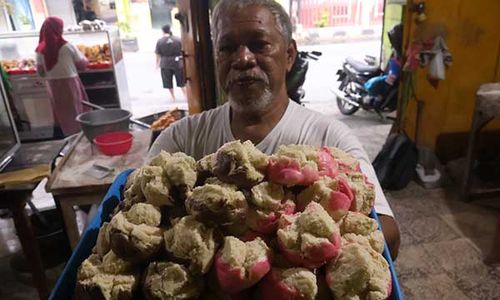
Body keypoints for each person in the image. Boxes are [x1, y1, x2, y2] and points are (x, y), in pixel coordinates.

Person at [149, 0, 400, 259]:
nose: (243, 58)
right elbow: (132, 205)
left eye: (259, 45)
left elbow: (389, 235)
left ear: (289, 55)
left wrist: (319, 252)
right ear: (217, 58)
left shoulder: (330, 138)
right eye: (227, 48)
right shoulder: (181, 139)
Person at [35, 17, 89, 136]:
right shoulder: (67, 46)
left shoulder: (40, 49)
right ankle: (79, 135)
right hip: (70, 83)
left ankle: (67, 136)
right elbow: (82, 65)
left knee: (61, 112)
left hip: (52, 85)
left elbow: (40, 72)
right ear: (58, 29)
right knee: (75, 109)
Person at [155, 24, 186, 102]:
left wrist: (157, 64)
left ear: (163, 31)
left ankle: (173, 97)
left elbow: (157, 54)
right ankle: (186, 95)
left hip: (165, 63)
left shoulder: (160, 41)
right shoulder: (178, 39)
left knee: (168, 81)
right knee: (181, 81)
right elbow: (183, 50)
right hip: (178, 63)